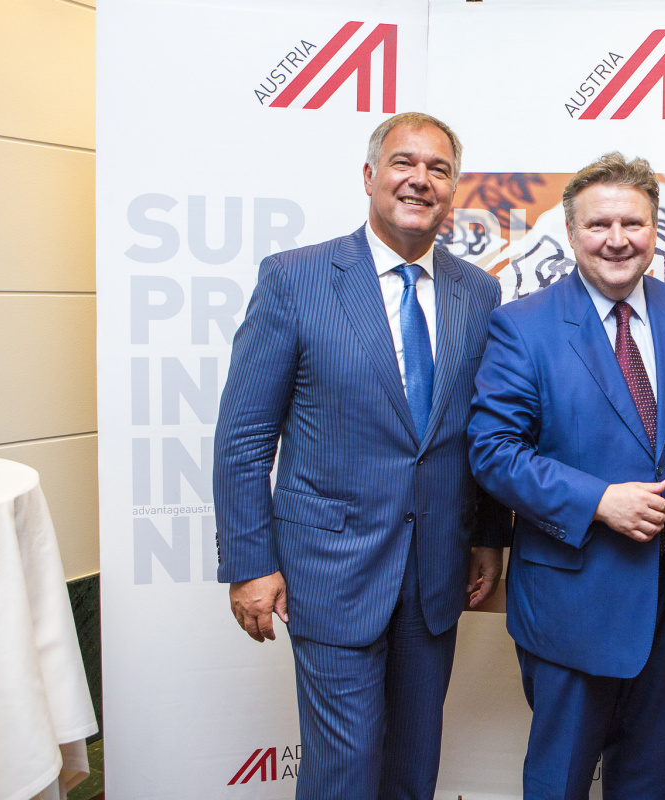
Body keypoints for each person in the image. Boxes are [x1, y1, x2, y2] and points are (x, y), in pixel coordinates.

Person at [213, 112, 511, 800]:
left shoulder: (478, 292)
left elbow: (483, 428)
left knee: (413, 769)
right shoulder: (295, 278)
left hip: (436, 571)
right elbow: (244, 438)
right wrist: (251, 564)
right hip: (330, 572)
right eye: (404, 162)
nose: (420, 179)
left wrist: (489, 537)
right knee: (342, 774)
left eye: (439, 169)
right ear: (370, 175)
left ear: (453, 189)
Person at [469, 152, 665, 800]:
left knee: (646, 784)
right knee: (559, 783)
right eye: (599, 225)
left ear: (655, 229)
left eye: (633, 223)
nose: (617, 239)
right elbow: (493, 451)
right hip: (572, 603)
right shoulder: (522, 326)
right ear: (571, 232)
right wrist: (597, 501)